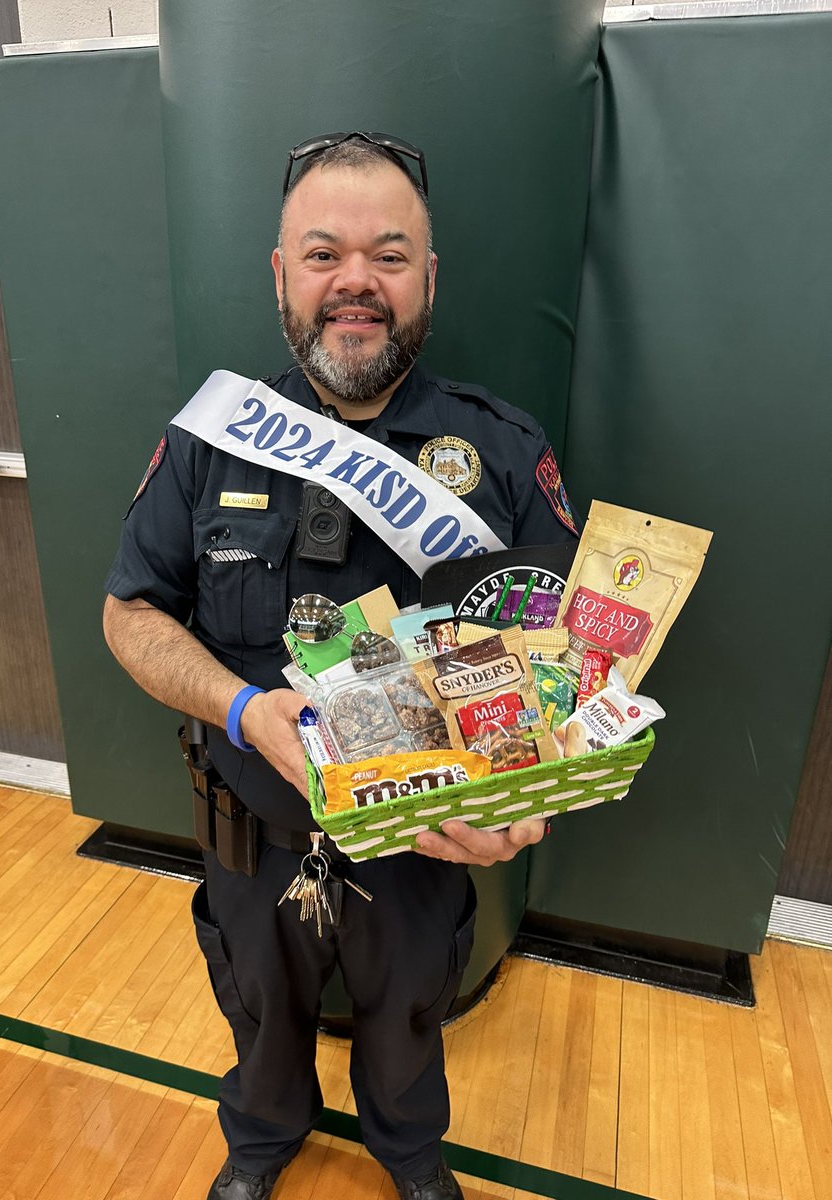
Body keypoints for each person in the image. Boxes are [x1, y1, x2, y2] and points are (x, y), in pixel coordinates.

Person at [103, 132, 579, 1200]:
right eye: (323, 254)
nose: (355, 281)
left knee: (412, 1025)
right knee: (260, 1019)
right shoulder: (211, 442)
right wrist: (239, 709)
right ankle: (261, 1142)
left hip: (423, 851)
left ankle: (409, 1154)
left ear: (428, 278)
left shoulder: (499, 452)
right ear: (282, 273)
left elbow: (563, 668)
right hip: (253, 832)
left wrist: (529, 790)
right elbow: (129, 615)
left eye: (389, 255)